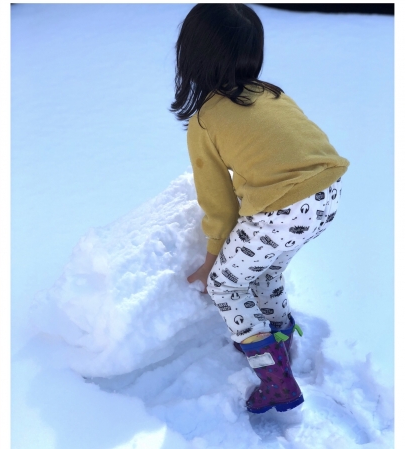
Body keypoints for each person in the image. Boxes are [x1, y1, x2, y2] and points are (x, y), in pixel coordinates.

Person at [172, 4, 348, 414]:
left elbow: (218, 205)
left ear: (191, 55)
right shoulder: (273, 94)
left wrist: (211, 263)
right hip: (328, 196)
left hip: (284, 209)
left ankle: (276, 381)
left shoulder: (206, 120)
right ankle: (280, 338)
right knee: (265, 269)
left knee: (227, 286)